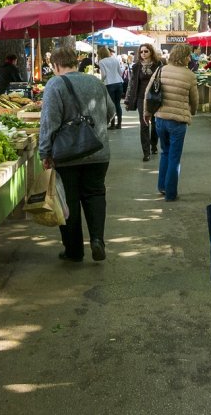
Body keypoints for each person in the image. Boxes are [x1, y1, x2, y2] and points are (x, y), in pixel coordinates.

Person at [39, 46, 115, 263]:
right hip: (98, 150)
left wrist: (44, 152)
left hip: (67, 154)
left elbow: (49, 122)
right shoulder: (95, 82)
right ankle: (97, 240)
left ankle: (74, 251)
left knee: (68, 200)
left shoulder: (55, 84)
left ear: (55, 65)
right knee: (95, 194)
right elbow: (110, 112)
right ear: (76, 62)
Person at [146, 44, 198, 202]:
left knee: (165, 153)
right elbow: (194, 99)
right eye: (188, 56)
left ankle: (162, 186)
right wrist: (192, 111)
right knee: (174, 157)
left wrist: (146, 113)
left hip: (160, 119)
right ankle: (170, 193)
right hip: (178, 122)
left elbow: (148, 92)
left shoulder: (161, 70)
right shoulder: (189, 75)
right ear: (185, 57)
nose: (190, 58)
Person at [125, 43, 162, 162]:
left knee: (155, 124)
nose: (143, 54)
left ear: (151, 52)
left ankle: (154, 144)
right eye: (141, 52)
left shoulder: (158, 65)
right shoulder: (136, 66)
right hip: (141, 98)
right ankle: (146, 152)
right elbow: (131, 83)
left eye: (146, 51)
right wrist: (128, 99)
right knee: (144, 124)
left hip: (155, 98)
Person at [97, 46, 124, 130]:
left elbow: (104, 75)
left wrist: (101, 81)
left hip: (109, 84)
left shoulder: (101, 62)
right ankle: (119, 124)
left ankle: (112, 124)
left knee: (111, 105)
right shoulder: (115, 59)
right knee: (118, 104)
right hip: (119, 83)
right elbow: (120, 72)